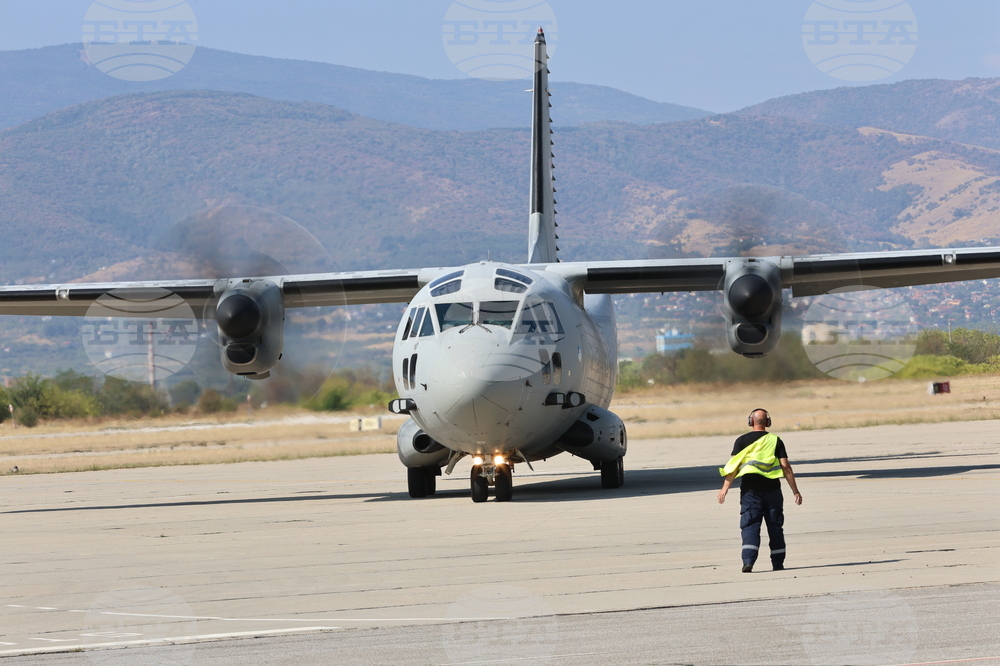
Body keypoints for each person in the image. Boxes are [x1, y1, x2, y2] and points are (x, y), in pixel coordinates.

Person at [717, 408, 802, 573]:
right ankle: (778, 563)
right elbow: (786, 467)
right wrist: (795, 491)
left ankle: (748, 561)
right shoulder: (775, 440)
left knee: (750, 525)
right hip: (773, 492)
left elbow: (733, 467)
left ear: (751, 422)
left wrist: (724, 489)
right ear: (768, 422)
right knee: (775, 527)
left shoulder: (741, 441)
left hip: (750, 492)